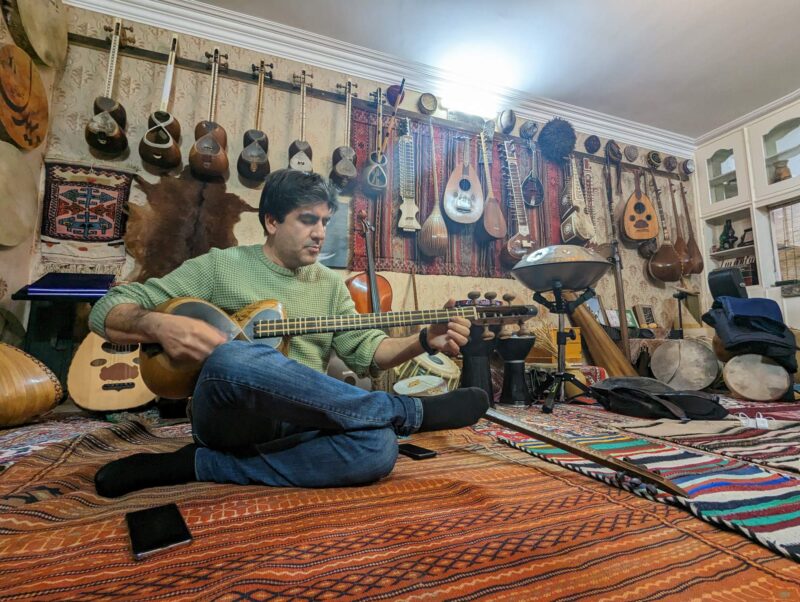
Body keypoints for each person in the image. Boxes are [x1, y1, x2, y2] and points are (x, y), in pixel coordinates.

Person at [91, 169, 489, 497]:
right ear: (272, 221)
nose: (320, 233)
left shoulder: (331, 286)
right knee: (233, 355)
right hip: (230, 416)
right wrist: (158, 323)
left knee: (379, 449)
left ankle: (199, 464)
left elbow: (368, 353)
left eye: (325, 222)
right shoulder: (220, 267)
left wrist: (422, 340)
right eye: (307, 219)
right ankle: (406, 411)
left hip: (303, 421)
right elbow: (106, 309)